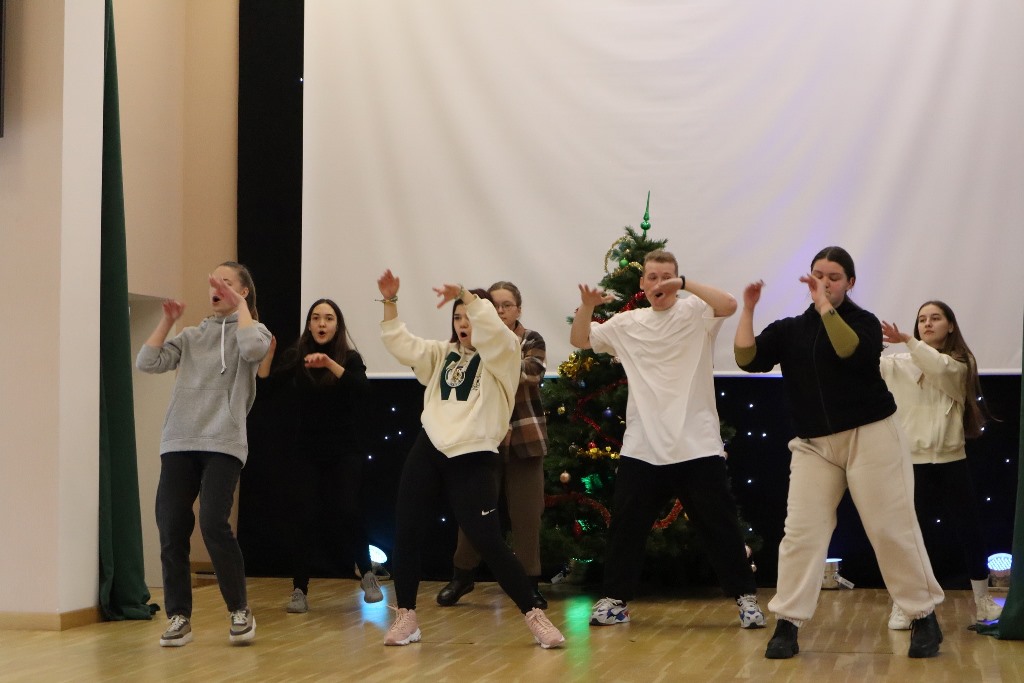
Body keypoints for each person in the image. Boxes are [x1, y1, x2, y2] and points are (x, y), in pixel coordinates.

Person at [734, 246, 944, 659]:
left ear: (850, 282)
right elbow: (747, 358)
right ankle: (788, 623)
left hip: (872, 435)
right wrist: (748, 308)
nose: (825, 282)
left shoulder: (863, 323)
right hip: (814, 445)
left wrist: (826, 307)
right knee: (801, 533)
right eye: (818, 275)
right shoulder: (791, 329)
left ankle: (923, 616)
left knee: (891, 529)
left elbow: (849, 351)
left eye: (833, 276)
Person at [569, 249, 765, 631]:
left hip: (697, 445)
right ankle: (615, 601)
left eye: (667, 277)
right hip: (643, 447)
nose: (659, 283)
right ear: (642, 283)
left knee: (720, 526)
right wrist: (587, 306)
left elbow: (728, 304)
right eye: (653, 277)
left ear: (676, 280)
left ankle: (745, 598)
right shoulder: (627, 323)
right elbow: (581, 339)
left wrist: (686, 284)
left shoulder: (696, 312)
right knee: (626, 527)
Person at [376, 270, 565, 649]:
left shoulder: (504, 357)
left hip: (474, 455)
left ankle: (534, 615)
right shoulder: (442, 355)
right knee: (407, 530)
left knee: (488, 541)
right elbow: (402, 343)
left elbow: (495, 333)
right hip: (430, 447)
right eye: (457, 318)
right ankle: (407, 616)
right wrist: (390, 302)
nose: (463, 324)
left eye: (470, 317)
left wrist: (465, 294)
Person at [136, 262, 271, 647]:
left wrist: (240, 308)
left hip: (223, 443)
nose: (216, 288)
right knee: (171, 527)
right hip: (179, 441)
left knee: (213, 523)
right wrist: (167, 321)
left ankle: (239, 610)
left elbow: (253, 350)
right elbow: (147, 362)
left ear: (243, 292)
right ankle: (178, 616)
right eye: (213, 282)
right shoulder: (192, 335)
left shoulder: (255, 331)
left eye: (226, 283)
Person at [880, 301, 1001, 629]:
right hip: (912, 462)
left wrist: (908, 340)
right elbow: (864, 368)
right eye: (922, 319)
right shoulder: (900, 362)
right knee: (908, 536)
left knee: (969, 530)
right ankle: (905, 603)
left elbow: (940, 369)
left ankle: (983, 601)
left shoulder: (961, 363)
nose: (927, 324)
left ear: (951, 325)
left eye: (935, 318)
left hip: (951, 460)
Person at [256, 298, 382, 614]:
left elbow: (363, 390)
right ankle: (299, 589)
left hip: (345, 450)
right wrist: (268, 356)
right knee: (304, 516)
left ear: (337, 325)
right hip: (306, 451)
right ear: (309, 324)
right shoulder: (297, 356)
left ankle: (367, 574)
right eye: (316, 318)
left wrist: (328, 364)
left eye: (328, 318)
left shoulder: (349, 358)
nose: (322, 323)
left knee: (348, 510)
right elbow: (265, 389)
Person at [436, 281, 548, 610]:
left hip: (525, 438)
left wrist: (499, 356)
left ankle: (529, 584)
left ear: (518, 310)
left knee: (527, 514)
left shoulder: (531, 339)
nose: (499, 311)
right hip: (483, 440)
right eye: (494, 305)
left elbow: (532, 372)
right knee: (475, 510)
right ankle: (462, 575)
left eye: (506, 305)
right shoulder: (472, 341)